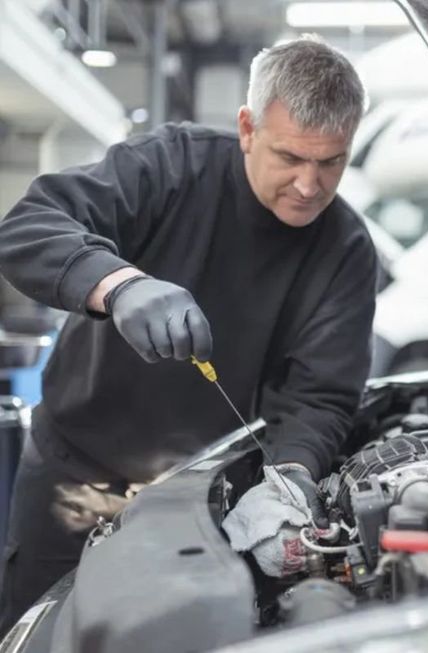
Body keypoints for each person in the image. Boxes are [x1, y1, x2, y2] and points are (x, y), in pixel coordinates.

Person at [0, 34, 376, 633]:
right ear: (248, 127)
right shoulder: (169, 166)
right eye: (289, 157)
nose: (310, 184)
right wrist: (117, 285)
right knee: (38, 631)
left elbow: (320, 395)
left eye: (330, 162)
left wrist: (292, 478)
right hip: (76, 478)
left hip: (204, 504)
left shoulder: (346, 250)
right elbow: (27, 228)